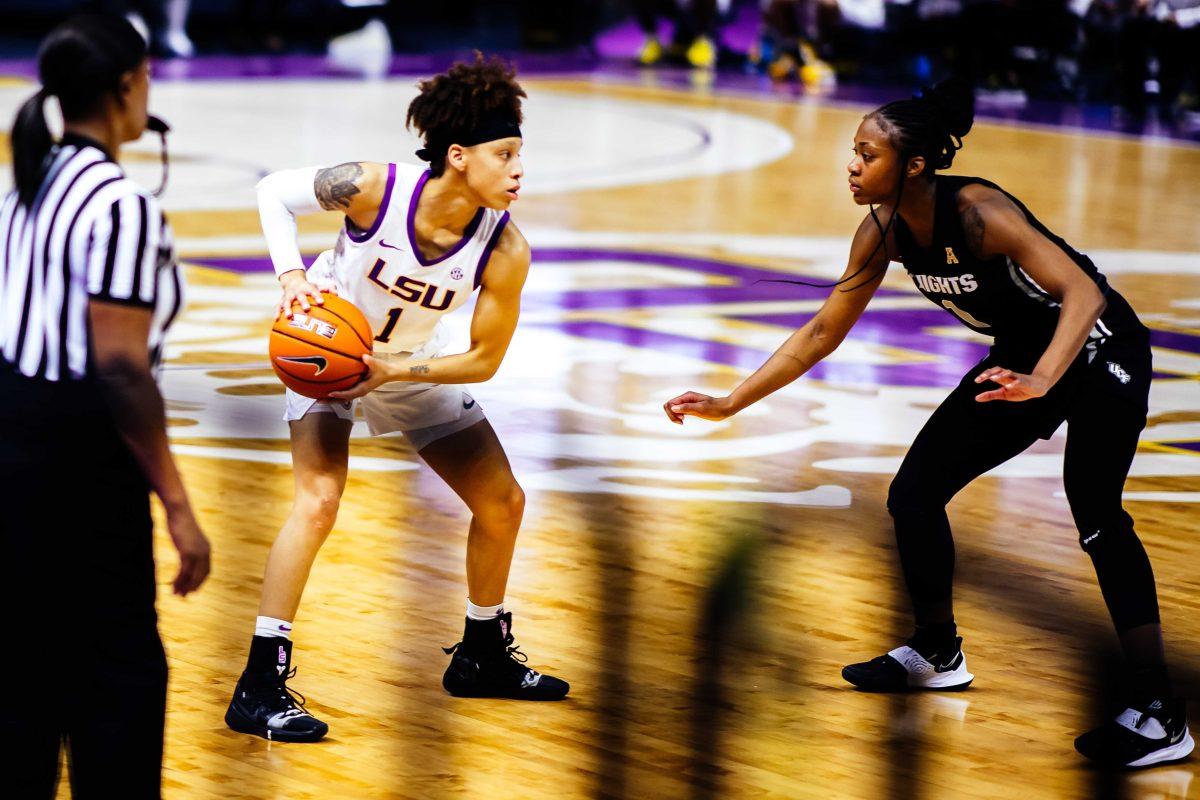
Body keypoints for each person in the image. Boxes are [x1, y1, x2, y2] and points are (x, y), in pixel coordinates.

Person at [663, 78, 1193, 769]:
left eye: (867, 154)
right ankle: (937, 650)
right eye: (851, 152)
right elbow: (824, 330)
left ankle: (1160, 710)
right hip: (1022, 362)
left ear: (913, 164)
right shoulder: (882, 229)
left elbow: (1084, 293)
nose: (852, 166)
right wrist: (733, 401)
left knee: (1097, 516)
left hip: (1098, 351)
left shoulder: (977, 211)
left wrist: (1041, 381)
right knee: (913, 493)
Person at [225, 53, 569, 745]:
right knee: (318, 501)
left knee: (503, 503)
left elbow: (483, 359)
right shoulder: (375, 189)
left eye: (520, 155)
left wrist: (397, 370)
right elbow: (272, 192)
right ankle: (258, 684)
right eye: (504, 156)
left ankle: (481, 655)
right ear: (458, 155)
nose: (518, 170)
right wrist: (292, 276)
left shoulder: (505, 249)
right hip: (323, 357)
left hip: (404, 365)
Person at [0, 14, 211, 797]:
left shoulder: (27, 179)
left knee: (21, 681)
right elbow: (121, 367)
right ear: (127, 87)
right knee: (116, 684)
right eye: (148, 76)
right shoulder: (121, 207)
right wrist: (178, 504)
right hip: (79, 463)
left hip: (12, 444)